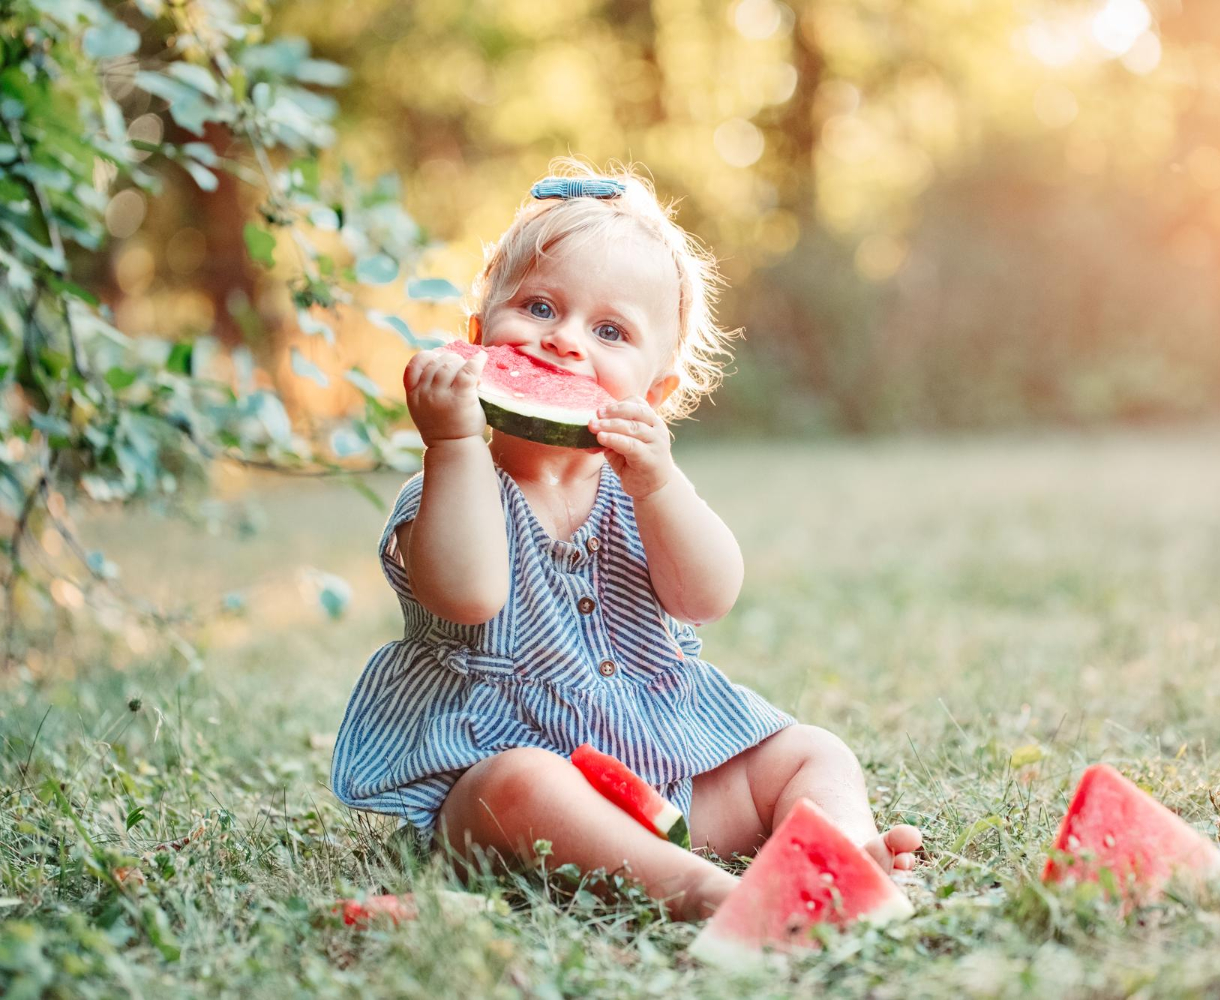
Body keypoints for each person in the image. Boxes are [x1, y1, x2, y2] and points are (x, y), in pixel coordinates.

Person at [331, 161, 921, 919]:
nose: (563, 343)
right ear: (477, 337)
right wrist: (451, 445)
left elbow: (706, 595)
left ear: (656, 393)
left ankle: (837, 858)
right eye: (539, 307)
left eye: (609, 331)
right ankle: (709, 893)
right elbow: (470, 596)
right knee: (521, 783)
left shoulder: (641, 494)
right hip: (510, 799)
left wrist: (660, 487)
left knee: (813, 751)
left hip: (664, 769)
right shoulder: (448, 488)